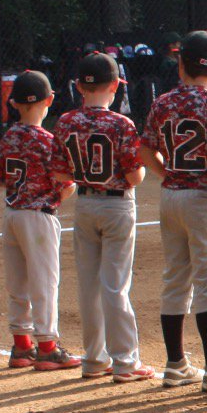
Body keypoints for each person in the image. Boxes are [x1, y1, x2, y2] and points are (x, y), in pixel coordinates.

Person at [142, 30, 207, 390]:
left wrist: (168, 173)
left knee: (175, 277)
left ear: (180, 64)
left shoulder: (163, 101)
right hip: (204, 196)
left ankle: (175, 362)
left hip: (172, 194)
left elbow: (145, 149)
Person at [56, 52, 150, 381]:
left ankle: (94, 359)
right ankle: (125, 361)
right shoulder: (121, 123)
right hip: (117, 205)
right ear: (114, 86)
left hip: (84, 204)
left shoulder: (67, 121)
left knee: (89, 286)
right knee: (115, 286)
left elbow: (59, 172)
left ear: (80, 86)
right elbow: (135, 177)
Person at [0, 70, 79, 371]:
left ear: (13, 103)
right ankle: (47, 347)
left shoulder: (9, 136)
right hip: (38, 218)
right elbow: (63, 185)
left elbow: (1, 178)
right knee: (44, 282)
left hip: (12, 214)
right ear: (50, 100)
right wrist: (74, 186)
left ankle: (21, 346)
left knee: (18, 282)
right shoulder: (48, 140)